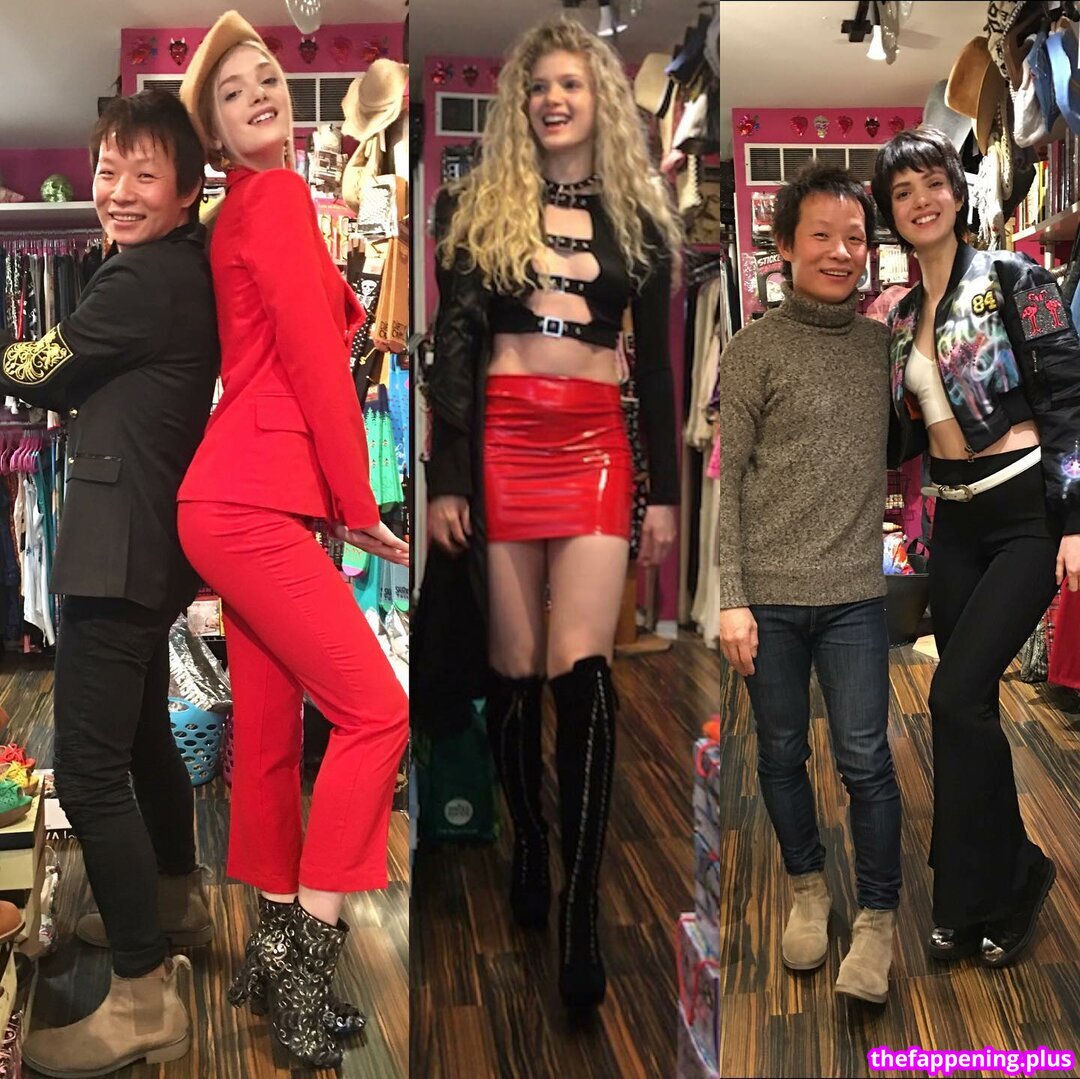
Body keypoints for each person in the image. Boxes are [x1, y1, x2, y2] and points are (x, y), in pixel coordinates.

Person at [425, 15, 682, 1012]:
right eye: (539, 86)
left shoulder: (642, 219)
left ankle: (581, 903)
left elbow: (656, 374)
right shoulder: (472, 204)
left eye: (571, 83)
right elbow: (454, 342)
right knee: (513, 666)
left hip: (596, 446)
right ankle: (528, 839)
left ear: (598, 98)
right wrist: (448, 477)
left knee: (585, 670)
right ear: (520, 103)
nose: (553, 99)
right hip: (500, 441)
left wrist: (664, 495)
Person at [177, 12, 409, 1069]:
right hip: (253, 499)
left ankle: (274, 947)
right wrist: (359, 500)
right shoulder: (267, 200)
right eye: (232, 92)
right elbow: (316, 359)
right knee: (379, 711)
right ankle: (311, 964)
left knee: (271, 731)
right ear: (214, 132)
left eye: (266, 75)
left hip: (243, 497)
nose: (259, 92)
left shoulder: (262, 204)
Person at [0, 90, 219, 1075]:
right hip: (144, 540)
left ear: (185, 191)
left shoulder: (139, 278)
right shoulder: (176, 267)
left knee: (87, 768)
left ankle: (140, 996)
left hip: (115, 545)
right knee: (136, 738)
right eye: (107, 170)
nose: (119, 191)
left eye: (144, 174)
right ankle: (173, 899)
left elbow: (43, 369)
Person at [872, 126, 1080, 968]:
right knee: (966, 709)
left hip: (1026, 513)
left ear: (958, 193)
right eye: (902, 192)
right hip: (953, 521)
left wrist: (1076, 520)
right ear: (890, 212)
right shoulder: (897, 316)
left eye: (933, 183)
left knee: (955, 694)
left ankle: (1015, 875)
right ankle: (975, 891)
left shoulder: (1015, 277)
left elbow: (1068, 398)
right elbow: (899, 434)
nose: (920, 200)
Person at [715, 163, 901, 1004]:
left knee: (867, 758)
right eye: (821, 235)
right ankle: (808, 887)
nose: (840, 251)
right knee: (781, 751)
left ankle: (879, 918)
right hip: (770, 598)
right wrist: (731, 595)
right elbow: (730, 480)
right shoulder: (752, 349)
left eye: (854, 237)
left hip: (857, 592)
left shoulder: (881, 346)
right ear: (784, 246)